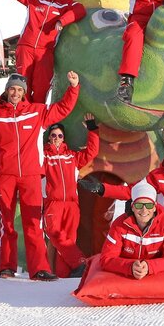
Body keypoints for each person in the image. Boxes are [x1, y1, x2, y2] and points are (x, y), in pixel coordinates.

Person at [0, 72, 80, 280]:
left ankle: (39, 269)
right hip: (5, 176)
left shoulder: (35, 112)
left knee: (33, 223)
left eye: (20, 90)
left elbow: (62, 109)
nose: (16, 93)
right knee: (8, 223)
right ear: (7, 90)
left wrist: (73, 88)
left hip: (30, 176)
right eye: (12, 89)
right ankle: (7, 267)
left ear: (24, 92)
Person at [0, 0, 86, 103]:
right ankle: (20, 117)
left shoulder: (65, 3)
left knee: (41, 87)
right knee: (21, 86)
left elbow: (80, 10)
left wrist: (62, 20)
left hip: (45, 52)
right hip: (26, 48)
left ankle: (36, 119)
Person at [42, 113, 100, 278]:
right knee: (54, 232)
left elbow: (92, 152)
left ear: (64, 139)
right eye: (53, 135)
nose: (57, 138)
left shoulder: (72, 156)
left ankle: (66, 276)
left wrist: (92, 130)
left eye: (60, 135)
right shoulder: (44, 156)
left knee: (69, 240)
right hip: (53, 202)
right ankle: (80, 262)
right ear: (49, 138)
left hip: (72, 204)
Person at [99, 181, 164, 279]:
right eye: (139, 205)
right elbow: (107, 258)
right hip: (128, 271)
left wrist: (149, 266)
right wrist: (129, 266)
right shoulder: (119, 225)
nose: (144, 210)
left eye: (149, 205)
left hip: (154, 273)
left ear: (155, 207)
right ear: (132, 207)